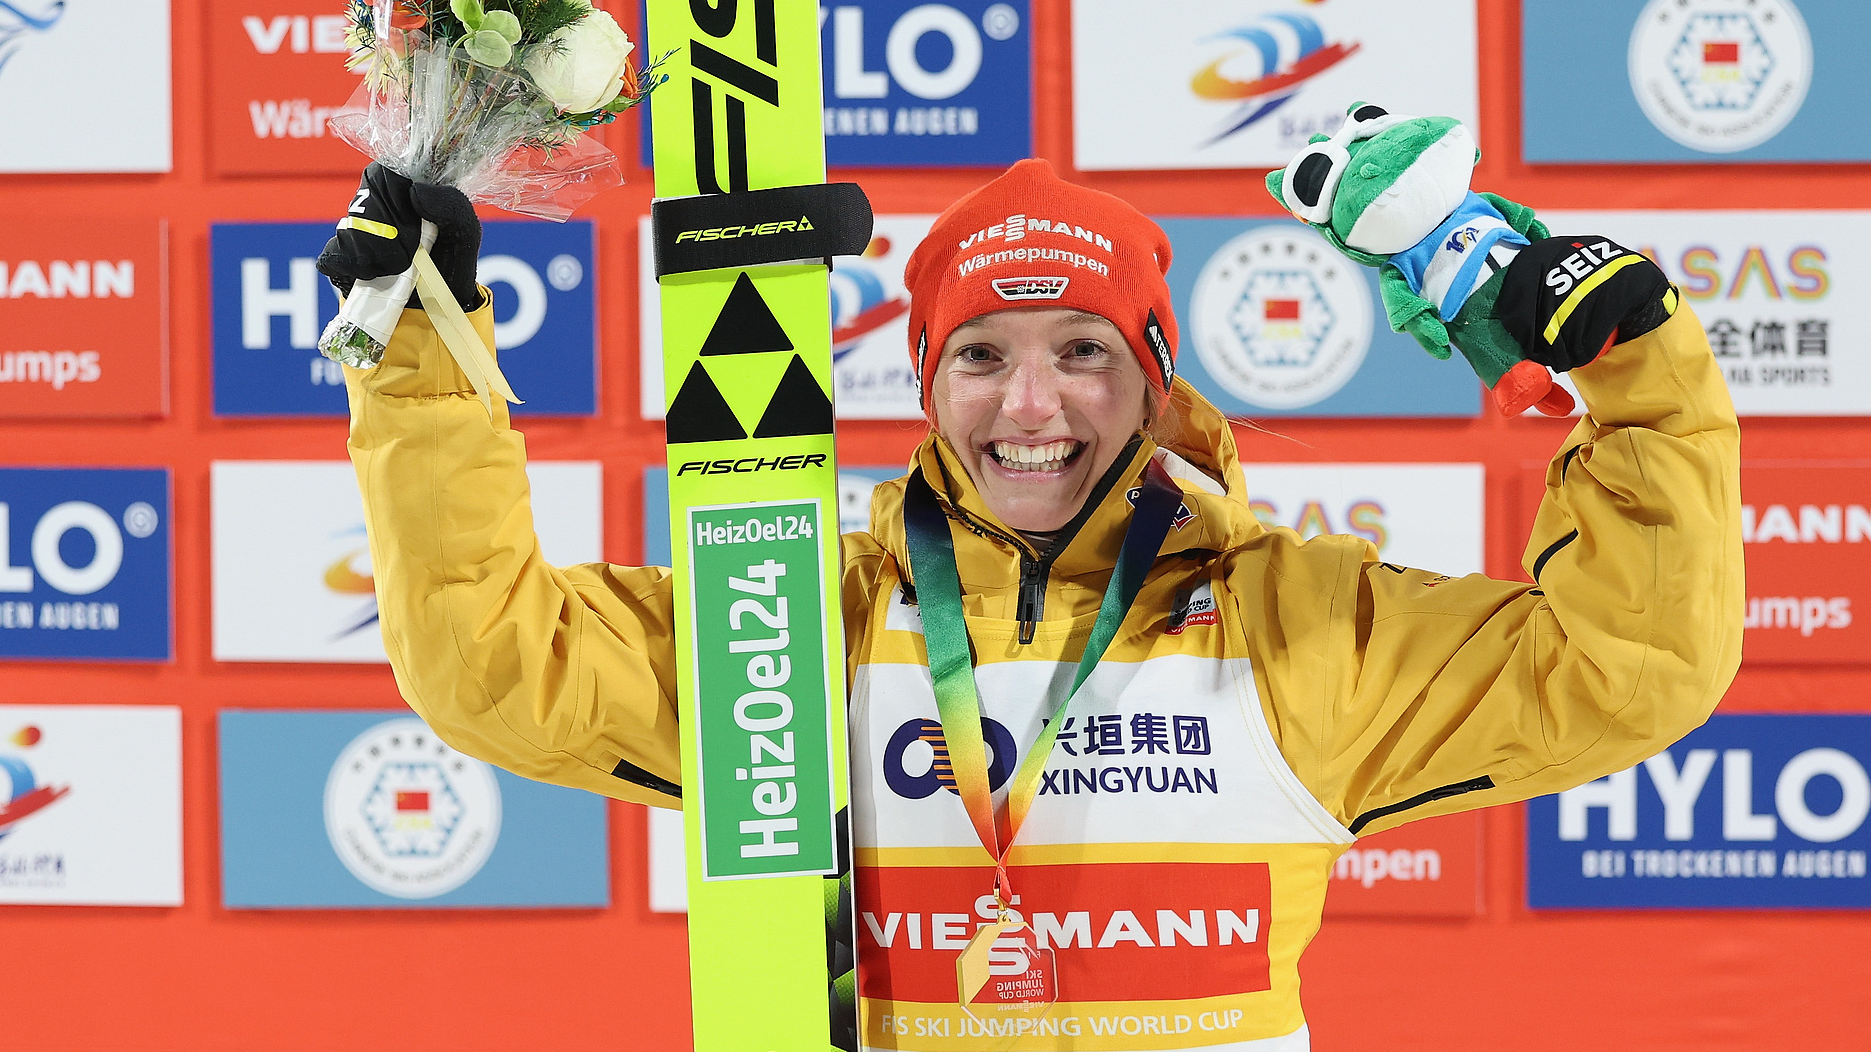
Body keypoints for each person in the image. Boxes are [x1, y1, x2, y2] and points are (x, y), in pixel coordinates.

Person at [328, 157, 1741, 1051]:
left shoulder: (1287, 619)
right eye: (981, 356)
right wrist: (419, 352)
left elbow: (1626, 666)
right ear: (927, 384)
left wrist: (1640, 376)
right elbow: (492, 663)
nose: (1030, 405)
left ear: (1153, 375)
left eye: (1081, 350)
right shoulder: (800, 620)